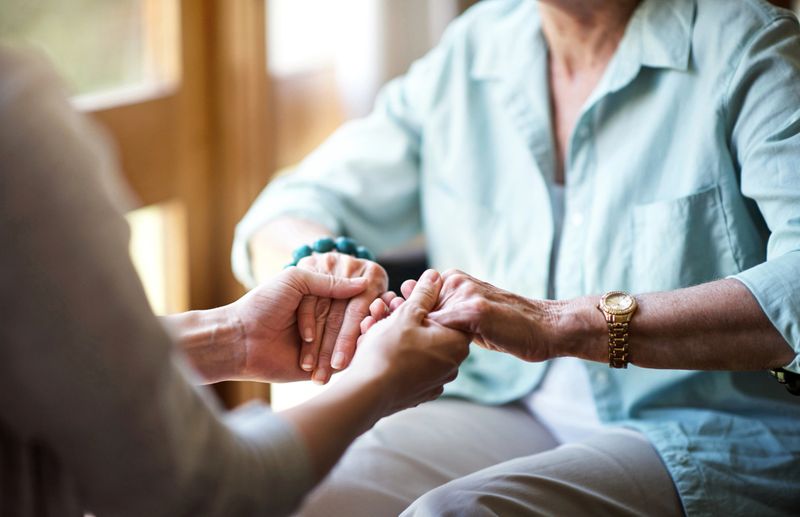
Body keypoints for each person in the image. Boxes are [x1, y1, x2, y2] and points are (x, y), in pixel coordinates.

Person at [234, 0, 800, 514]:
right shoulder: (476, 46)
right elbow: (284, 210)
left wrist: (561, 324)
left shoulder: (750, 47)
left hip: (702, 430)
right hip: (499, 401)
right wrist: (323, 265)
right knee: (297, 494)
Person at [0, 47, 470, 517]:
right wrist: (378, 381)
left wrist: (232, 335)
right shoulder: (16, 118)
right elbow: (199, 493)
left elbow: (50, 360)